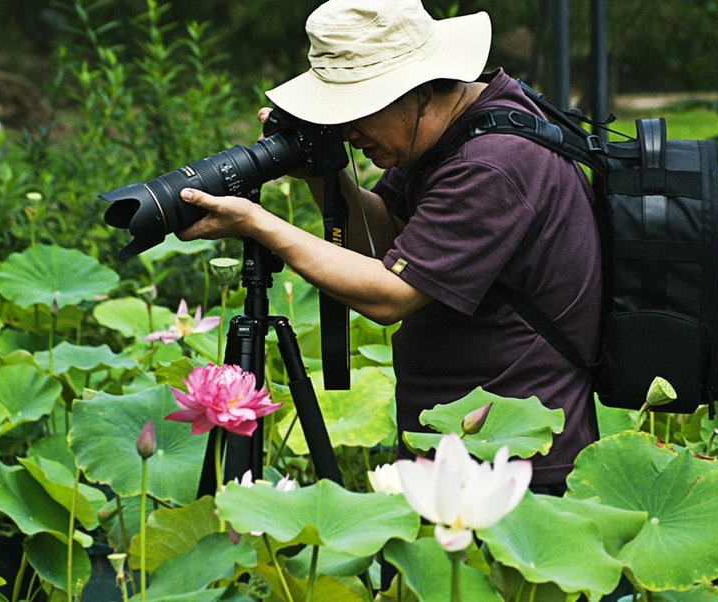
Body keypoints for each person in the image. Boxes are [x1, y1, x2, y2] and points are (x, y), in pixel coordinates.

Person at [177, 0, 601, 491]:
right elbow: (387, 238)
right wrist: (324, 173)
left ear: (417, 89)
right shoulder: (449, 129)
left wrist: (258, 224)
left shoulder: (491, 163)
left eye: (356, 110)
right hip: (452, 437)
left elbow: (391, 293)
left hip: (513, 462)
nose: (348, 131)